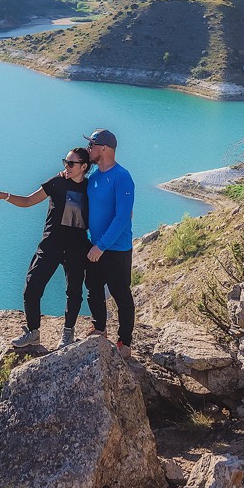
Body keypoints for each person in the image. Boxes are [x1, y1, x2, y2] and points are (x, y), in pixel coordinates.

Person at [0, 147, 91, 349]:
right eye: (65, 162)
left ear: (84, 167)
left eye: (71, 163)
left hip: (76, 247)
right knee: (31, 287)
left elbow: (105, 208)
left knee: (74, 292)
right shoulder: (57, 183)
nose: (66, 167)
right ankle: (33, 332)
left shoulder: (91, 188)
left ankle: (68, 333)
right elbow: (28, 201)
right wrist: (5, 196)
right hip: (51, 244)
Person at [83, 128, 135, 359]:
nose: (88, 149)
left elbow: (123, 218)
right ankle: (100, 328)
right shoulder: (93, 178)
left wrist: (101, 246)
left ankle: (125, 341)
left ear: (104, 148)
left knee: (120, 295)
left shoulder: (122, 177)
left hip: (115, 249)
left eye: (92, 145)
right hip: (95, 245)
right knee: (93, 290)